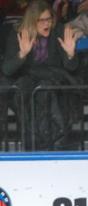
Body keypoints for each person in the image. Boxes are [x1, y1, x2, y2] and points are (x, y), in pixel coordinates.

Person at [2, 0, 80, 150]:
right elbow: (7, 69)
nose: (47, 24)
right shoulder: (19, 34)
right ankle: (33, 144)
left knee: (46, 90)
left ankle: (54, 144)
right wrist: (21, 54)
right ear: (32, 21)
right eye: (42, 20)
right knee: (25, 90)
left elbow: (71, 68)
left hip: (53, 79)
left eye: (49, 19)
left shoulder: (59, 31)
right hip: (28, 82)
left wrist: (70, 54)